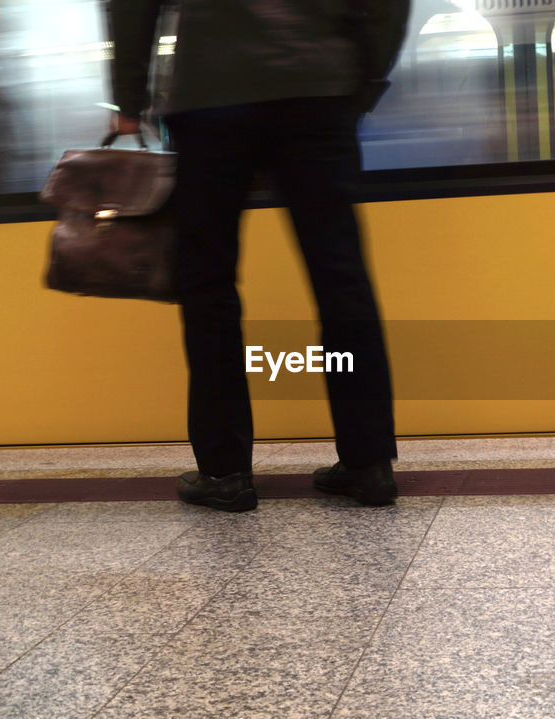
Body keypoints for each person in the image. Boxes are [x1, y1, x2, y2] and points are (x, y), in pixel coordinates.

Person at [109, 0, 409, 511]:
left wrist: (129, 100)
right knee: (340, 277)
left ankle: (225, 472)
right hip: (316, 85)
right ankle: (368, 463)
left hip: (209, 94)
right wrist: (363, 78)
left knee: (208, 284)